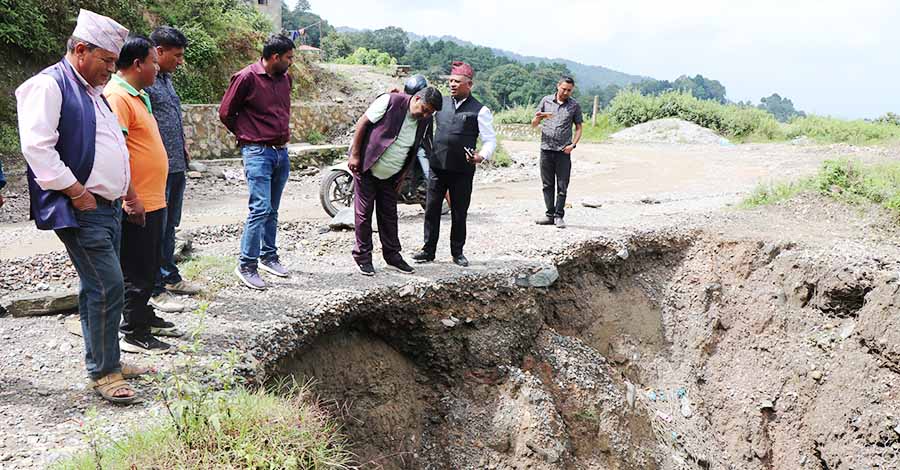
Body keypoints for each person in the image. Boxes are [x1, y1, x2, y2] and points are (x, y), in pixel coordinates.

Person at [16, 9, 145, 404]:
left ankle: (109, 360)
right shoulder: (48, 86)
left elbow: (113, 148)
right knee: (108, 284)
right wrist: (76, 191)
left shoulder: (94, 92)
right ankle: (104, 372)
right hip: (83, 207)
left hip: (108, 206)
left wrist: (128, 192)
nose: (111, 68)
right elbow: (37, 148)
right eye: (106, 60)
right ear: (82, 50)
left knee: (99, 286)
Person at [104, 35, 180, 354]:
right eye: (152, 62)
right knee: (136, 267)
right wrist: (129, 196)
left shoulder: (138, 95)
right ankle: (133, 330)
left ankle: (143, 315)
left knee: (148, 264)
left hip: (153, 197)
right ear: (137, 64)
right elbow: (116, 151)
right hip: (138, 201)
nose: (156, 68)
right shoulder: (118, 96)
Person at [219, 34, 294, 290]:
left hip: (281, 152)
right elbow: (226, 112)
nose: (291, 62)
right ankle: (246, 264)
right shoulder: (246, 77)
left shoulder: (285, 78)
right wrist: (247, 135)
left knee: (272, 209)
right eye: (288, 58)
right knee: (260, 208)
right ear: (275, 57)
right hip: (258, 152)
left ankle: (268, 257)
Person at [348, 87, 443, 276]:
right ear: (416, 98)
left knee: (389, 216)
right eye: (424, 109)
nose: (425, 114)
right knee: (364, 215)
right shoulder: (390, 101)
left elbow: (415, 149)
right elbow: (363, 123)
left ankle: (392, 257)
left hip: (391, 175)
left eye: (429, 113)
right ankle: (363, 258)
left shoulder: (424, 120)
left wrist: (403, 176)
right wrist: (355, 155)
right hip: (367, 166)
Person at [413, 61, 497, 267]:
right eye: (450, 80)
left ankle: (457, 252)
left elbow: (490, 140)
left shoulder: (480, 110)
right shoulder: (440, 104)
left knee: (459, 212)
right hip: (437, 166)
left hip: (462, 170)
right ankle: (428, 250)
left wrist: (481, 156)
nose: (452, 84)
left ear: (469, 84)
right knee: (431, 209)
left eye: (457, 81)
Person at [146, 26, 201, 315]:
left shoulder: (166, 80)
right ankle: (154, 289)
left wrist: (183, 146)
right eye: (177, 55)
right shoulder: (144, 81)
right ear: (159, 51)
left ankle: (170, 277)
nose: (181, 61)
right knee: (154, 228)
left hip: (176, 165)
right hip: (156, 169)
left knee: (169, 225)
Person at [532, 76, 583, 229]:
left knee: (562, 185)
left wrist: (572, 145)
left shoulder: (574, 106)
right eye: (563, 89)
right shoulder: (546, 101)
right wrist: (537, 118)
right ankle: (549, 215)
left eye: (569, 90)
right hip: (546, 149)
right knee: (547, 184)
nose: (566, 92)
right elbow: (534, 124)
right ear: (557, 86)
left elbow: (579, 128)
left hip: (563, 151)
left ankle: (559, 215)